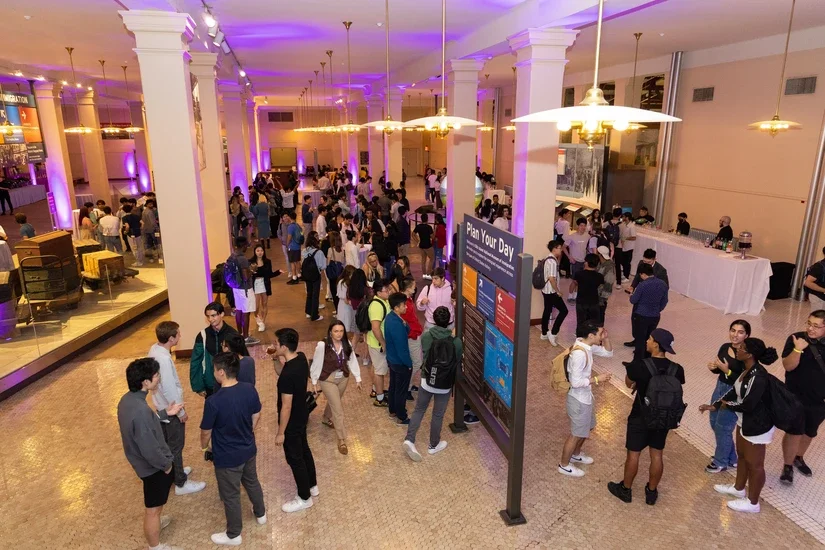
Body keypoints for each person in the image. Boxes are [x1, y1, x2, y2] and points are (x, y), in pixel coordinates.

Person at [608, 329, 685, 505]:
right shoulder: (677, 369)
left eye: (650, 339)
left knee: (633, 455)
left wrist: (635, 376)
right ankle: (651, 492)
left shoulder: (640, 365)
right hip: (664, 418)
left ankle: (625, 490)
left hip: (640, 416)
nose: (647, 341)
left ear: (656, 344)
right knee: (657, 455)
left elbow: (629, 384)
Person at [702, 338, 779, 514]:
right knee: (743, 456)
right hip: (745, 420)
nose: (738, 349)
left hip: (758, 425)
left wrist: (727, 405)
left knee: (755, 464)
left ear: (750, 354)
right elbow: (735, 392)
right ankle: (738, 488)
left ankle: (753, 503)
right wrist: (716, 404)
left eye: (742, 348)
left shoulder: (758, 376)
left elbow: (748, 404)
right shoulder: (747, 370)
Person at [200, 352, 266, 546]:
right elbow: (257, 414)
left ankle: (234, 534)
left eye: (213, 370)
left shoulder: (214, 401)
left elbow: (206, 431)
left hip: (227, 458)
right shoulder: (249, 389)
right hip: (248, 449)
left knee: (231, 495)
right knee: (252, 482)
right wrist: (248, 431)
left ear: (221, 372)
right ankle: (261, 514)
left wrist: (205, 446)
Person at [117, 358, 182, 550]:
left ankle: (157, 524)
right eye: (155, 376)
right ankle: (155, 546)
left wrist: (164, 414)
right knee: (152, 510)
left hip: (140, 463)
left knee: (157, 505)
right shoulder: (140, 411)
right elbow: (149, 448)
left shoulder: (127, 400)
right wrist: (167, 465)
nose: (158, 378)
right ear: (145, 382)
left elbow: (144, 425)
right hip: (152, 468)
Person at [148, 321, 207, 496]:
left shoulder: (154, 350)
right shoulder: (165, 359)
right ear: (171, 338)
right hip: (170, 409)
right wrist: (180, 411)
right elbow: (169, 388)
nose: (180, 337)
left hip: (160, 406)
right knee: (176, 445)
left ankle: (176, 472)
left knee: (167, 444)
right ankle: (181, 483)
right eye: (178, 335)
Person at [270, 328, 319, 513]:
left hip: (291, 420)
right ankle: (312, 486)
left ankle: (304, 498)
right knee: (304, 450)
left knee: (295, 458)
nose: (274, 346)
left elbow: (286, 406)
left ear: (283, 346)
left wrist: (281, 432)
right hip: (302, 415)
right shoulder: (301, 359)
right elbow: (283, 373)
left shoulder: (288, 375)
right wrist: (276, 359)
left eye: (276, 344)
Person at [403, 306, 461, 461]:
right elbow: (458, 358)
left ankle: (409, 439)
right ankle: (433, 445)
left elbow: (426, 353)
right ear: (449, 320)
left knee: (419, 409)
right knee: (438, 414)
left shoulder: (427, 336)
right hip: (444, 384)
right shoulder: (456, 342)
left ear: (434, 320)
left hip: (427, 379)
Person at [558, 322, 614, 477]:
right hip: (578, 400)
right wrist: (598, 379)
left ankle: (576, 454)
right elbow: (575, 383)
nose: (601, 336)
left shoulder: (587, 345)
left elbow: (608, 353)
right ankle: (564, 465)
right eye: (600, 333)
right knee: (576, 433)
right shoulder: (579, 354)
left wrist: (606, 338)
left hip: (586, 397)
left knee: (587, 428)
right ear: (591, 335)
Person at [779, 310, 825, 485]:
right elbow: (788, 366)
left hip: (819, 400)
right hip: (795, 397)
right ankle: (787, 465)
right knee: (793, 432)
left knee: (809, 431)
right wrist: (798, 349)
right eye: (809, 324)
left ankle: (799, 457)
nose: (810, 329)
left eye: (816, 326)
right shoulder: (796, 338)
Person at [705, 320, 750, 474]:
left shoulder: (747, 354)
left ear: (747, 335)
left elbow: (745, 380)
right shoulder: (725, 347)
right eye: (733, 330)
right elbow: (720, 370)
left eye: (740, 332)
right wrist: (714, 368)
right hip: (720, 388)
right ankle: (731, 458)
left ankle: (720, 462)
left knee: (723, 427)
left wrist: (727, 371)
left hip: (734, 392)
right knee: (713, 422)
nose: (735, 335)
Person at [310, 320, 362, 455]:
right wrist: (314, 380)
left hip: (343, 378)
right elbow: (316, 362)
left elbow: (352, 360)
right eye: (336, 331)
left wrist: (357, 377)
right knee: (338, 409)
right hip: (327, 379)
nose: (339, 334)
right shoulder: (323, 345)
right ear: (330, 332)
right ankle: (342, 439)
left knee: (335, 401)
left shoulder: (347, 344)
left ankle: (326, 418)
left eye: (341, 331)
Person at [190, 302, 239, 399]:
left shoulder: (233, 334)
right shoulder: (202, 336)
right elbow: (195, 362)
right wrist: (199, 386)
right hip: (210, 384)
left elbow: (239, 360)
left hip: (229, 383)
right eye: (208, 316)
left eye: (213, 315)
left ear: (222, 314)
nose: (210, 319)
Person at [625, 263, 669, 363]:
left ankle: (636, 363)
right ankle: (648, 361)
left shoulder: (642, 285)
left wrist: (631, 295)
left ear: (643, 274)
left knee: (640, 340)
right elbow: (665, 301)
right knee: (650, 339)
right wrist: (658, 309)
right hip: (655, 316)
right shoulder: (663, 284)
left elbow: (633, 300)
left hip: (641, 315)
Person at [384, 292, 412, 424]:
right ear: (396, 307)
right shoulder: (397, 324)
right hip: (400, 363)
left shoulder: (390, 318)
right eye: (403, 305)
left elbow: (408, 329)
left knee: (393, 386)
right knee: (401, 390)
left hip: (391, 359)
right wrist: (409, 364)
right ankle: (402, 416)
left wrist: (405, 324)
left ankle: (392, 410)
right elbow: (402, 349)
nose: (406, 307)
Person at [226, 237, 259, 345]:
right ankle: (245, 337)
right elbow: (245, 276)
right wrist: (252, 270)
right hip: (245, 289)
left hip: (236, 288)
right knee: (246, 313)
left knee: (239, 310)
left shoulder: (232, 256)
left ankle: (240, 333)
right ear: (244, 245)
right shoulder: (242, 259)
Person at [398, 277, 424, 398]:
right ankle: (406, 387)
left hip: (413, 334)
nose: (415, 288)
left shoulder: (405, 300)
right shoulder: (404, 304)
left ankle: (408, 384)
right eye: (413, 286)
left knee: (413, 362)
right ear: (408, 288)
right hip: (411, 336)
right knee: (417, 362)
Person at [368, 280, 392, 406]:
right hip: (378, 344)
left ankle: (375, 389)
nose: (389, 292)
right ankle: (380, 398)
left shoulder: (383, 301)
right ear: (378, 292)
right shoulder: (377, 306)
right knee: (380, 371)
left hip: (375, 342)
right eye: (386, 290)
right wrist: (383, 343)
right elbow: (375, 328)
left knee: (376, 367)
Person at [541, 240, 568, 347]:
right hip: (551, 291)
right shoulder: (552, 262)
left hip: (545, 290)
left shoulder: (548, 258)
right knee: (564, 311)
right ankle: (553, 333)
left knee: (547, 310)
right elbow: (552, 279)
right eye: (560, 248)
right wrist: (558, 291)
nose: (561, 250)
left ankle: (544, 333)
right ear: (555, 248)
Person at [250, 243, 282, 333]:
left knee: (264, 303)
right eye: (258, 251)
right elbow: (248, 275)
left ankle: (263, 322)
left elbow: (270, 274)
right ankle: (258, 319)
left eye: (261, 251)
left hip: (264, 283)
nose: (260, 253)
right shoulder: (251, 262)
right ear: (255, 252)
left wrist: (278, 272)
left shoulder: (267, 261)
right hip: (255, 284)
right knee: (255, 306)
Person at [568, 254, 604, 331]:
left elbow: (574, 284)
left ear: (586, 263)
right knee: (594, 323)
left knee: (581, 322)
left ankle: (580, 339)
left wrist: (570, 294)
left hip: (581, 302)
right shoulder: (600, 276)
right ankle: (593, 339)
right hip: (594, 302)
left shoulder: (579, 274)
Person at [301, 232, 327, 322]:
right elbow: (323, 266)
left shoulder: (304, 251)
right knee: (315, 294)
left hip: (307, 275)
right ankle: (314, 315)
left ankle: (308, 311)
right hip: (316, 275)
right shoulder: (319, 252)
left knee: (309, 293)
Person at [563, 218, 589, 300]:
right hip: (575, 262)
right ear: (577, 226)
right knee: (575, 280)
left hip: (584, 262)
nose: (583, 227)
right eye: (581, 225)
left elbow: (588, 248)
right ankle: (570, 296)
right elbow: (563, 247)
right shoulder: (572, 236)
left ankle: (576, 295)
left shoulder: (588, 236)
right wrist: (569, 257)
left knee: (580, 280)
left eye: (584, 225)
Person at [595, 246, 615, 324]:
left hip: (601, 296)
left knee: (600, 314)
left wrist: (603, 297)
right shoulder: (600, 263)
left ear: (600, 254)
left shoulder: (609, 266)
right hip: (596, 294)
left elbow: (609, 282)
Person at [285, 211, 303, 284]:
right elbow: (301, 233)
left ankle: (294, 277)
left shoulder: (290, 226)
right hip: (298, 246)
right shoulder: (298, 225)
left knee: (292, 262)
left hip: (292, 247)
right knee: (298, 261)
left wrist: (287, 244)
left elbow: (289, 237)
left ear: (290, 217)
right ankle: (299, 275)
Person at [414, 213, 435, 277]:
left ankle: (424, 273)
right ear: (427, 219)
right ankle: (429, 272)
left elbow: (413, 234)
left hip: (421, 245)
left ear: (421, 219)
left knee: (423, 260)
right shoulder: (429, 227)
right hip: (428, 245)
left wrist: (417, 241)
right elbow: (432, 237)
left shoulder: (418, 226)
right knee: (432, 258)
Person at [619, 212, 637, 283]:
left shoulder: (632, 226)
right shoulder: (623, 224)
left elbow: (634, 237)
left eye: (624, 217)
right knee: (623, 262)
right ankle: (623, 275)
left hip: (629, 247)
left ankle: (626, 276)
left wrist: (625, 238)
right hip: (623, 246)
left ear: (627, 218)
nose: (623, 218)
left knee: (627, 262)